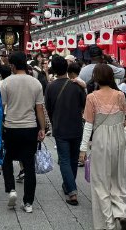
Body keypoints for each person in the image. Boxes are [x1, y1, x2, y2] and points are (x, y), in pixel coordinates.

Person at [78, 63, 126, 230]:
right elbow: (124, 119)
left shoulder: (92, 97)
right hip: (119, 141)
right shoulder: (120, 95)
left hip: (101, 140)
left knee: (100, 183)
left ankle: (108, 223)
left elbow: (88, 125)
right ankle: (121, 213)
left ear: (96, 78)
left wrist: (83, 148)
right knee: (118, 180)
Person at [0, 51, 45, 213]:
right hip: (30, 128)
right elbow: (39, 108)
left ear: (12, 65)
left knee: (6, 159)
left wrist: (1, 125)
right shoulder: (36, 83)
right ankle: (28, 203)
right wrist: (42, 128)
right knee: (28, 165)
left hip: (11, 127)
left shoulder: (6, 83)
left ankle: (11, 189)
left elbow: (2, 107)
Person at [45, 55, 86, 206]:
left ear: (54, 70)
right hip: (76, 126)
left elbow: (48, 108)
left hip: (60, 127)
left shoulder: (50, 87)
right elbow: (84, 105)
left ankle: (72, 190)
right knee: (73, 159)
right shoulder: (77, 85)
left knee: (64, 159)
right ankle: (69, 185)